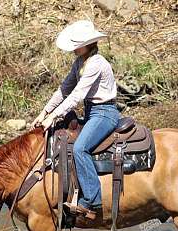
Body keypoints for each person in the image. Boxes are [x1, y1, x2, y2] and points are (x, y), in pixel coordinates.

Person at [31, 19, 120, 220]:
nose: (74, 49)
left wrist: (54, 116)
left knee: (80, 148)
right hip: (91, 112)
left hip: (105, 113)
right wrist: (44, 112)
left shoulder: (97, 63)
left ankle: (92, 199)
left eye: (77, 45)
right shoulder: (80, 62)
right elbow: (64, 89)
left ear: (88, 44)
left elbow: (77, 95)